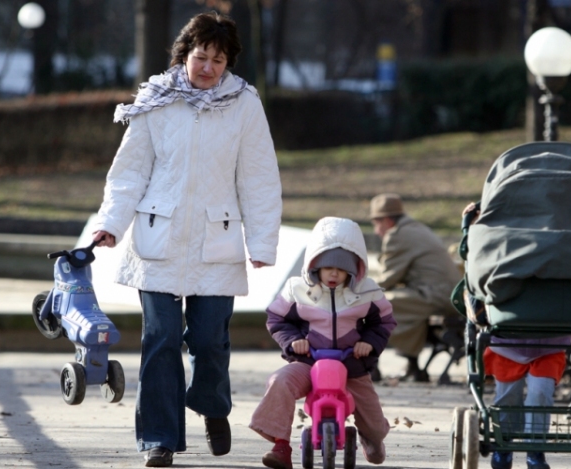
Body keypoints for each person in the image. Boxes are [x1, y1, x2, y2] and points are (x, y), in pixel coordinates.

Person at [91, 12, 282, 468]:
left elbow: (258, 177)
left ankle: (213, 406)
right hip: (159, 236)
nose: (208, 68)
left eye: (218, 59)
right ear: (184, 55)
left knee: (210, 342)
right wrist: (111, 223)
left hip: (216, 240)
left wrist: (261, 243)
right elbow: (130, 170)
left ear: (228, 62)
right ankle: (159, 439)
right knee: (160, 338)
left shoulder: (244, 103)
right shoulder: (156, 98)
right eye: (201, 57)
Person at [250, 217, 396, 469]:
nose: (334, 274)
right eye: (328, 267)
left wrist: (368, 343)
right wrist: (294, 340)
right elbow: (277, 318)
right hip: (309, 361)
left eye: (342, 269)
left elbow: (383, 322)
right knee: (280, 381)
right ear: (314, 265)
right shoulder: (297, 290)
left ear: (355, 269)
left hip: (351, 362)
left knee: (372, 418)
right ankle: (280, 445)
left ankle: (371, 437)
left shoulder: (367, 292)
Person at [461, 202, 566, 469]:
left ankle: (535, 450)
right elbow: (475, 257)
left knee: (540, 394)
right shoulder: (500, 241)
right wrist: (470, 224)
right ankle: (504, 444)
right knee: (507, 397)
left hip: (548, 342)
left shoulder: (556, 239)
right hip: (508, 342)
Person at [369, 193, 463, 382]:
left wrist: (354, 292)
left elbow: (387, 279)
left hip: (436, 296)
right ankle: (412, 366)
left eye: (376, 224)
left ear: (386, 220)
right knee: (398, 304)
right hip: (446, 295)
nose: (376, 231)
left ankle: (369, 366)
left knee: (373, 304)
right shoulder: (415, 228)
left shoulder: (398, 235)